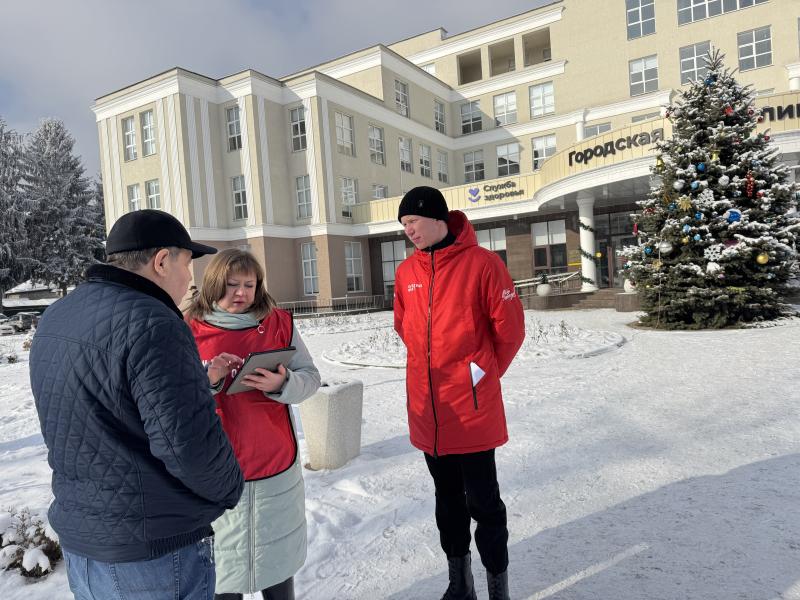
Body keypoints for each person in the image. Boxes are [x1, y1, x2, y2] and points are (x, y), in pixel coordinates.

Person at [29, 209, 245, 599]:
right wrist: (231, 487)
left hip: (85, 542)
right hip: (154, 552)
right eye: (187, 266)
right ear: (162, 261)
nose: (189, 281)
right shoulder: (154, 321)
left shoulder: (59, 314)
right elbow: (187, 444)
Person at [393, 187, 525, 600]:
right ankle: (459, 582)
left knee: (485, 504)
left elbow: (511, 330)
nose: (408, 230)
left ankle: (496, 588)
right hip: (429, 410)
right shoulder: (406, 273)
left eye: (413, 221)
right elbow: (403, 327)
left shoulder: (483, 264)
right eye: (403, 225)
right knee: (447, 503)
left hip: (470, 410)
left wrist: (480, 376)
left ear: (438, 219)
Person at [185, 248, 321, 600]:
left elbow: (311, 377)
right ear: (214, 283)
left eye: (249, 284)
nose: (241, 293)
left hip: (274, 463)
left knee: (276, 566)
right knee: (223, 578)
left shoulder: (278, 323)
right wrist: (209, 378)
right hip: (217, 473)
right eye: (232, 285)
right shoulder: (188, 329)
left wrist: (283, 383)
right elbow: (173, 396)